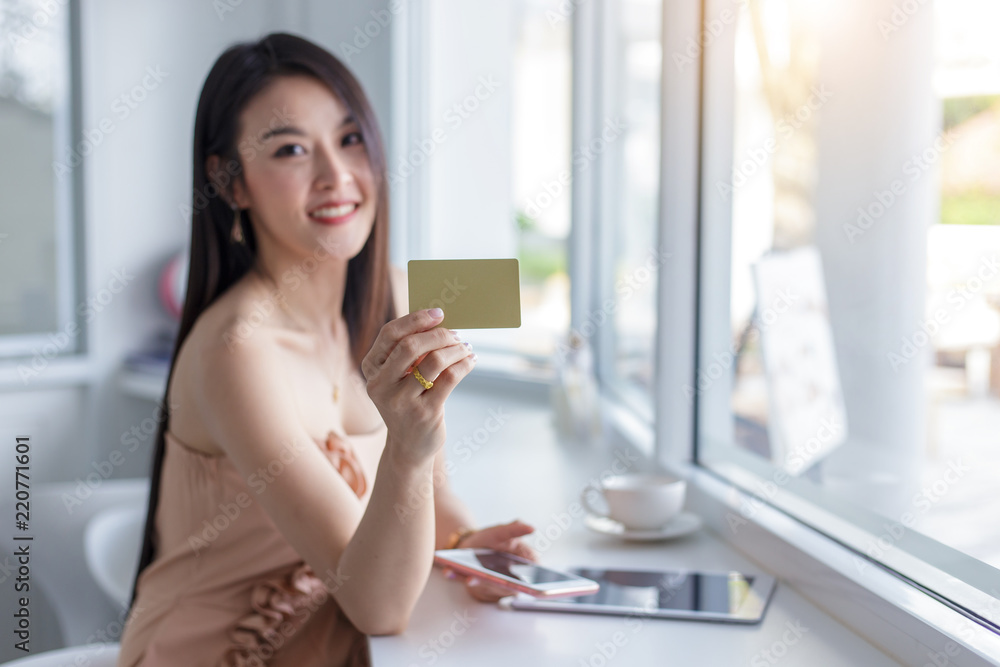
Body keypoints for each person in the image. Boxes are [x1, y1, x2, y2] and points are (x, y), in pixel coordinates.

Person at [118, 32, 535, 667]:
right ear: (230, 182)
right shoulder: (239, 350)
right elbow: (379, 607)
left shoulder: (393, 295)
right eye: (290, 149)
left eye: (350, 139)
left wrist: (470, 545)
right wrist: (407, 445)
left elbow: (435, 495)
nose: (337, 177)